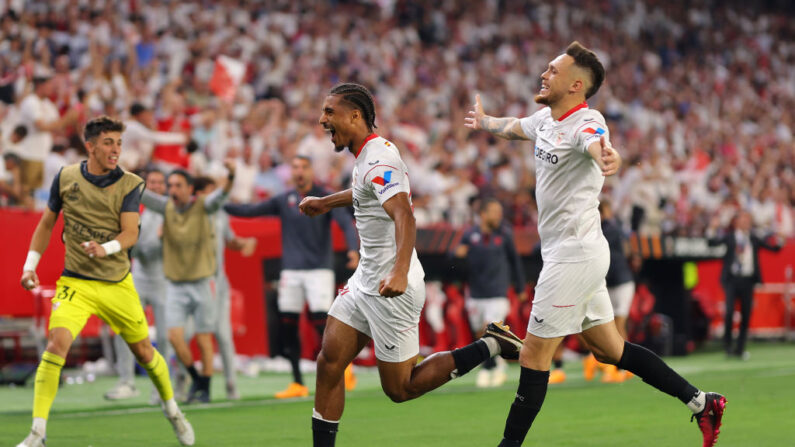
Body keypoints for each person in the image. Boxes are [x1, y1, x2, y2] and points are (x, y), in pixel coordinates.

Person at [465, 42, 726, 447]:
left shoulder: (587, 122)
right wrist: (484, 122)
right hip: (571, 252)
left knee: (534, 355)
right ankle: (702, 401)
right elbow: (518, 126)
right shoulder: (547, 120)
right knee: (609, 350)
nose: (544, 74)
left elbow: (597, 142)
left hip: (574, 256)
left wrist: (609, 157)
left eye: (553, 70)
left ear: (576, 85)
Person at [299, 83, 524, 447]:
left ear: (355, 116)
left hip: (393, 290)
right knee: (329, 363)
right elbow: (364, 192)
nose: (323, 120)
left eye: (330, 112)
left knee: (401, 388)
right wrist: (326, 203)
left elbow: (404, 215)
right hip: (365, 281)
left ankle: (491, 345)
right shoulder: (366, 157)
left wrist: (400, 270)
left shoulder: (379, 158)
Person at [17, 116, 193, 447]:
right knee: (56, 345)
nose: (115, 150)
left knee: (144, 351)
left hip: (117, 283)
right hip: (76, 284)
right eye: (109, 142)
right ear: (91, 145)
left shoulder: (129, 183)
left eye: (119, 143)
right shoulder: (66, 176)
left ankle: (172, 409)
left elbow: (130, 233)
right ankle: (37, 432)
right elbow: (46, 224)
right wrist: (30, 266)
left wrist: (105, 248)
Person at [224, 155, 360, 399]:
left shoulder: (324, 197)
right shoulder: (283, 199)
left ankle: (344, 367)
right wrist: (216, 204)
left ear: (311, 171)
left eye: (303, 167)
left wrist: (352, 249)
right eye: (295, 167)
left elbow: (345, 223)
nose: (299, 172)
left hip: (319, 269)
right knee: (288, 326)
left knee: (322, 324)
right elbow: (250, 210)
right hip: (291, 271)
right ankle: (297, 382)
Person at [141, 161, 235, 403]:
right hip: (175, 284)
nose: (172, 189)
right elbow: (141, 194)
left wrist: (231, 175)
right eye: (170, 185)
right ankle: (197, 378)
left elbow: (221, 196)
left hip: (202, 282)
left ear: (190, 189)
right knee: (174, 337)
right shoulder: (166, 207)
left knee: (204, 338)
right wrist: (119, 172)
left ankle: (205, 388)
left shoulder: (203, 206)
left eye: (178, 185)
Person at [103, 169, 170, 403]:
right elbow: (136, 250)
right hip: (138, 278)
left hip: (163, 280)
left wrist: (140, 243)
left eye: (160, 182)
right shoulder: (136, 213)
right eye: (152, 182)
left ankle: (162, 387)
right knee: (125, 328)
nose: (156, 186)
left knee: (165, 336)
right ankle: (126, 382)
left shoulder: (169, 211)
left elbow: (151, 251)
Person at [194, 176, 257, 400]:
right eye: (210, 192)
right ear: (199, 194)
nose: (215, 197)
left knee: (223, 336)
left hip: (219, 284)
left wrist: (246, 242)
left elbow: (230, 241)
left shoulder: (220, 214)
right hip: (193, 285)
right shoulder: (189, 215)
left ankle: (231, 386)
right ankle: (187, 385)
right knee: (184, 337)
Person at [452, 197, 526, 388]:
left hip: (498, 291)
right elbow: (454, 259)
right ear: (483, 214)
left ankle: (486, 369)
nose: (498, 215)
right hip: (476, 292)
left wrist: (519, 287)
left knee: (489, 329)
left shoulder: (505, 234)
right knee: (480, 333)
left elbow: (515, 261)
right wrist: (457, 255)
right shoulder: (470, 235)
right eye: (494, 211)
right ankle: (498, 364)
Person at [707, 210, 783, 359]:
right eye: (743, 219)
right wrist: (713, 228)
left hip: (747, 280)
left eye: (748, 219)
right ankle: (728, 346)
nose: (746, 222)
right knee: (729, 312)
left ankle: (740, 349)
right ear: (737, 221)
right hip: (732, 280)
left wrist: (780, 239)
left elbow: (773, 249)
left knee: (746, 314)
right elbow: (711, 243)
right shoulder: (730, 237)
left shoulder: (753, 238)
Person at [581, 199, 637, 383]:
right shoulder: (614, 228)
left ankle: (622, 366)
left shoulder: (608, 229)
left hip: (621, 282)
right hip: (610, 283)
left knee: (618, 325)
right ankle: (620, 365)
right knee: (612, 326)